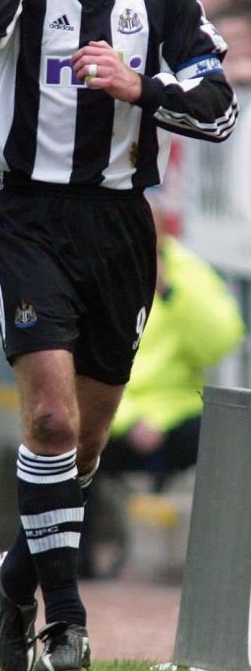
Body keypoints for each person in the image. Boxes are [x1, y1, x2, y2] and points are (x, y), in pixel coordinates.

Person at [0, 0, 237, 671]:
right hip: (28, 214)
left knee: (85, 443)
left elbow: (219, 106)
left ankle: (17, 571)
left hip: (119, 225)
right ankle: (65, 623)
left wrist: (139, 85)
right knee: (49, 422)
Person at [102, 194, 245, 480]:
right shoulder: (102, 274)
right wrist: (129, 421)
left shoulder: (189, 272)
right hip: (114, 413)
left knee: (226, 438)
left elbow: (221, 343)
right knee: (73, 445)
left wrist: (170, 293)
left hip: (177, 413)